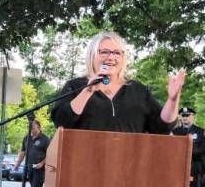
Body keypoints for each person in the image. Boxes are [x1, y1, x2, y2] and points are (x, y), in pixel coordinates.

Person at [50, 31, 186, 133]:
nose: (111, 57)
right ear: (92, 55)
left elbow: (162, 127)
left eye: (117, 53)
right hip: (85, 165)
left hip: (130, 166)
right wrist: (89, 89)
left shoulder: (138, 90)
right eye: (104, 52)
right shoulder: (75, 86)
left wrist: (173, 100)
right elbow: (61, 122)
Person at [172, 107, 205, 187]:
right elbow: (172, 151)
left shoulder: (201, 132)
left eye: (188, 115)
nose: (185, 118)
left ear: (193, 117)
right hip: (178, 169)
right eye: (183, 116)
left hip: (195, 169)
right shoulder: (175, 133)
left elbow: (201, 150)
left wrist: (186, 148)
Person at [13, 120, 50, 187]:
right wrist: (17, 163)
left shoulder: (45, 139)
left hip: (40, 168)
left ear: (38, 127)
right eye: (30, 128)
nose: (31, 130)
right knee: (34, 186)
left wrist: (41, 163)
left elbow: (50, 154)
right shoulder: (27, 138)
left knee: (36, 186)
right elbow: (23, 152)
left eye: (33, 127)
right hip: (29, 166)